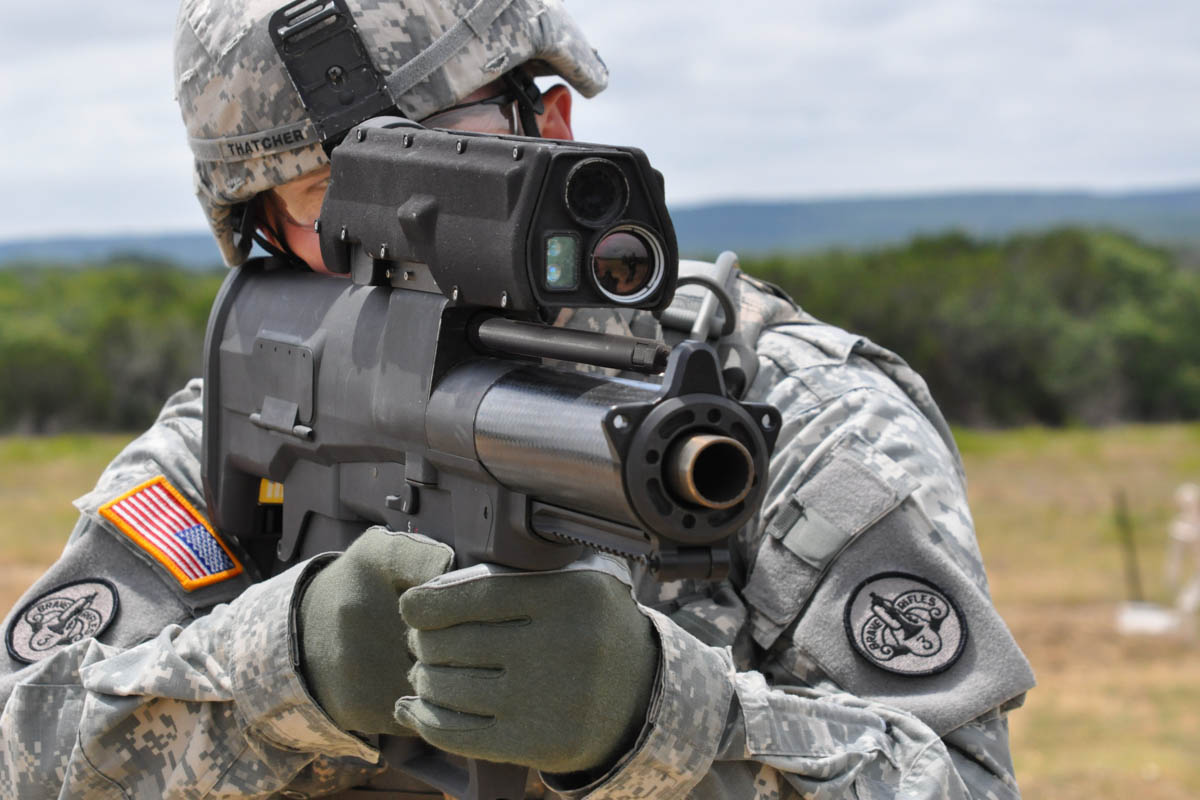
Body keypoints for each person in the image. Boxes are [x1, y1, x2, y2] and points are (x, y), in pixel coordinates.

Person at [0, 0, 1036, 797]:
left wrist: (660, 716)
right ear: (260, 226)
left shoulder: (793, 413)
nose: (400, 234)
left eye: (450, 166)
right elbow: (21, 746)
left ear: (553, 122)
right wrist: (281, 662)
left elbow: (956, 777)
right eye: (331, 202)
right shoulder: (261, 393)